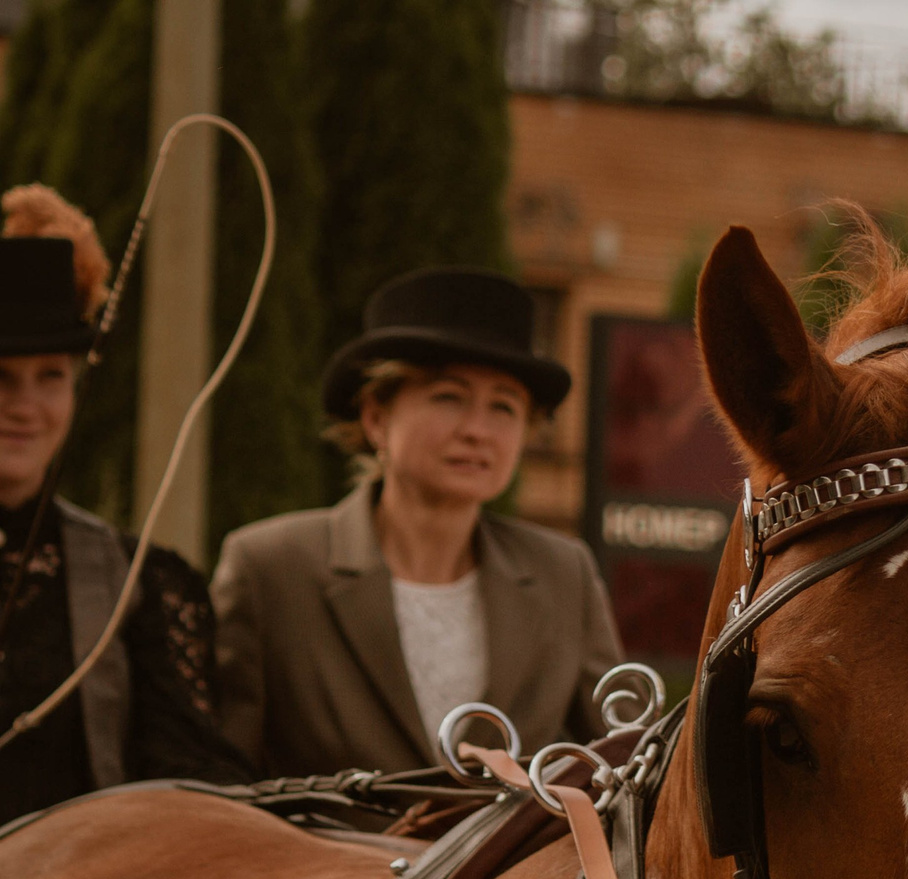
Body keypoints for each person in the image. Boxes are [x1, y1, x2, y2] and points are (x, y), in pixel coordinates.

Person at [213, 268, 621, 778]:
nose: (477, 430)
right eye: (448, 397)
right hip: (325, 859)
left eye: (504, 407)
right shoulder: (270, 567)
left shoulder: (565, 573)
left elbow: (621, 765)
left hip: (515, 862)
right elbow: (220, 788)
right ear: (376, 417)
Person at [0, 184, 246, 823]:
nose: (25, 405)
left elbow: (187, 790)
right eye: (0, 376)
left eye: (50, 376)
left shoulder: (139, 583)